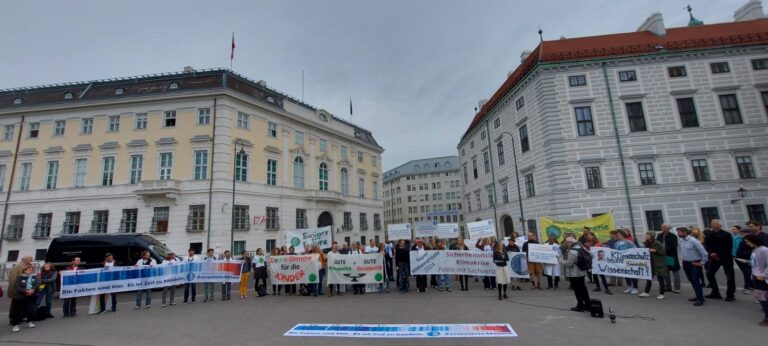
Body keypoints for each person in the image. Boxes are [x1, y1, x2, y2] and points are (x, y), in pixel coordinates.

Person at [703, 219, 736, 301]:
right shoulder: (709, 234)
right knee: (709, 274)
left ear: (719, 225)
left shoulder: (726, 234)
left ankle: (730, 294)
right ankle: (715, 292)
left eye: (714, 223)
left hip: (725, 257)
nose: (712, 224)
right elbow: (706, 245)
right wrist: (711, 253)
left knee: (730, 276)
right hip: (713, 257)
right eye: (712, 223)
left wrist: (718, 255)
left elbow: (729, 247)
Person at [678, 227, 709, 306]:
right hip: (686, 263)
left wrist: (702, 262)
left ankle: (700, 299)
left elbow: (704, 253)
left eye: (680, 232)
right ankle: (698, 295)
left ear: (685, 232)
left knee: (695, 280)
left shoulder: (693, 241)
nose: (678, 234)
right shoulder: (681, 240)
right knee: (691, 279)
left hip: (694, 263)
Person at [559, 237, 590, 312]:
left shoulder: (571, 251)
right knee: (583, 289)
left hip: (574, 273)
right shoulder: (582, 247)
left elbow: (569, 264)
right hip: (582, 272)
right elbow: (592, 255)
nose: (566, 244)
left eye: (566, 242)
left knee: (577, 290)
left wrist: (560, 260)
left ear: (570, 242)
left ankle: (580, 306)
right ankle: (587, 305)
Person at [743, 234, 768, 326]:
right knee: (763, 296)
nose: (747, 243)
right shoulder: (755, 249)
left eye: (747, 241)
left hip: (761, 277)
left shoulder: (764, 250)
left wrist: (764, 275)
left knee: (761, 296)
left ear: (753, 240)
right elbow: (756, 263)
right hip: (756, 275)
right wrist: (748, 262)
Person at [7, 256, 33, 327]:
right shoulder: (16, 267)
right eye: (30, 259)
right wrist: (14, 291)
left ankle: (20, 317)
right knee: (15, 305)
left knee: (22, 305)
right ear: (25, 260)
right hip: (16, 290)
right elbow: (13, 280)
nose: (31, 261)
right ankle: (13, 319)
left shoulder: (28, 267)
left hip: (24, 291)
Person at [640, 231, 668, 299]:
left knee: (660, 278)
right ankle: (646, 292)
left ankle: (661, 293)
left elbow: (663, 252)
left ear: (652, 236)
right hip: (649, 263)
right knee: (649, 278)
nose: (646, 236)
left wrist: (655, 251)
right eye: (646, 235)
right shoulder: (646, 243)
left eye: (648, 235)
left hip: (658, 263)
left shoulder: (657, 243)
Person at [11, 265, 37, 333]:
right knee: (18, 311)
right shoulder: (20, 277)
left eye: (31, 269)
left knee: (31, 310)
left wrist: (33, 290)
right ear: (24, 270)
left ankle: (29, 321)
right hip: (20, 297)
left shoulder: (34, 277)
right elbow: (16, 287)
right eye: (28, 269)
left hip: (31, 296)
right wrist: (26, 291)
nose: (30, 271)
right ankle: (15, 325)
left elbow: (37, 284)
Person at [657, 224, 681, 293]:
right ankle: (668, 286)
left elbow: (673, 247)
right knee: (665, 273)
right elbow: (657, 243)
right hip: (663, 256)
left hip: (671, 256)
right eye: (662, 227)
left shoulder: (673, 236)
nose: (662, 228)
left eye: (664, 227)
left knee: (675, 272)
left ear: (668, 228)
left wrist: (664, 249)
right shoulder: (660, 235)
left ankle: (677, 288)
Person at [615, 230, 639, 294]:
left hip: (630, 260)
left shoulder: (629, 242)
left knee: (632, 274)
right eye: (617, 235)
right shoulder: (616, 243)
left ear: (623, 235)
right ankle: (629, 287)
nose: (618, 236)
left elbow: (635, 249)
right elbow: (614, 251)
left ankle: (635, 288)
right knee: (626, 274)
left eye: (619, 235)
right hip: (622, 261)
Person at [732, 225, 752, 294]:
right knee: (745, 272)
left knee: (746, 272)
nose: (733, 230)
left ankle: (747, 287)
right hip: (736, 257)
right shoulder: (734, 237)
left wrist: (742, 253)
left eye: (734, 229)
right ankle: (751, 284)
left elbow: (751, 250)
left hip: (745, 258)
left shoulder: (745, 239)